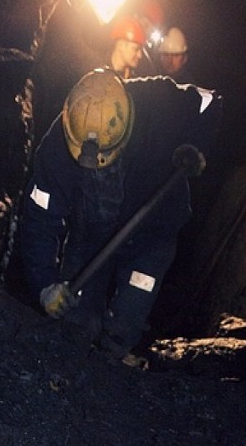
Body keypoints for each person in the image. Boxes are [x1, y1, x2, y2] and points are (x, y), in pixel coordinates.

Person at [18, 68, 221, 360]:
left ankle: (113, 362)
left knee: (129, 312)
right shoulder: (58, 144)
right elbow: (40, 219)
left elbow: (208, 100)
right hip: (91, 233)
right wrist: (44, 285)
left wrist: (195, 145)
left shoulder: (159, 101)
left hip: (151, 233)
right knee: (73, 318)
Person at [107, 14, 148, 79]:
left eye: (141, 50)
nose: (140, 55)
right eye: (136, 49)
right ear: (121, 45)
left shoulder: (135, 81)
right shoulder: (96, 71)